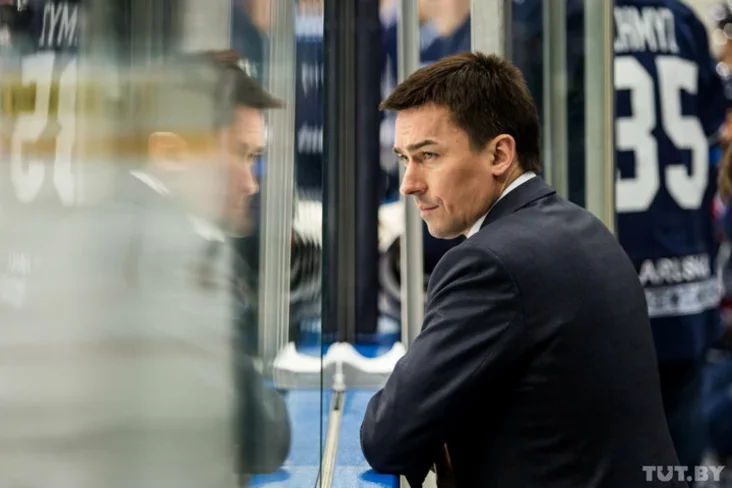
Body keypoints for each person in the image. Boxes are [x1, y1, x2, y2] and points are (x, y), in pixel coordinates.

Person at [360, 51, 683, 487]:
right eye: (404, 159)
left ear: (499, 154)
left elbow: (387, 434)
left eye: (429, 156)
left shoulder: (488, 264)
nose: (409, 184)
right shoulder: (583, 227)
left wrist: (435, 423)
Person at [0, 50, 291, 487]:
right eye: (240, 155)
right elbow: (262, 436)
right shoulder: (172, 256)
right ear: (169, 153)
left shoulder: (99, 228)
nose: (251, 184)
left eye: (255, 159)